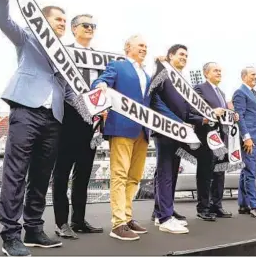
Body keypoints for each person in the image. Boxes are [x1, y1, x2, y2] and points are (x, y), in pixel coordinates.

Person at [0, 0, 71, 256]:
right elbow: (3, 20)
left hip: (54, 118)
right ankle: (11, 235)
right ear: (43, 20)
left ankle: (34, 229)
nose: (64, 24)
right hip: (26, 109)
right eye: (59, 19)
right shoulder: (27, 37)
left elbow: (70, 90)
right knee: (15, 173)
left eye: (65, 20)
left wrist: (94, 104)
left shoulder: (66, 56)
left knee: (41, 175)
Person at [92, 35, 176, 240]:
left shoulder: (146, 75)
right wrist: (101, 85)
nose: (144, 49)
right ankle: (118, 223)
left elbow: (152, 102)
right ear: (128, 47)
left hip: (142, 131)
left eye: (146, 46)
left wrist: (178, 123)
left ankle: (127, 217)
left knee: (134, 177)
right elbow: (101, 80)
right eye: (140, 45)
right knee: (120, 175)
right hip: (121, 128)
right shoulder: (118, 66)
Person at [52, 14, 103, 239]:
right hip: (68, 118)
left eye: (93, 25)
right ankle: (62, 222)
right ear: (74, 29)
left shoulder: (101, 59)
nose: (90, 28)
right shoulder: (64, 52)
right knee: (62, 172)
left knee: (83, 173)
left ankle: (79, 220)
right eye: (85, 25)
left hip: (92, 122)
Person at [149, 44, 203, 233]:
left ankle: (162, 212)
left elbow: (187, 110)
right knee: (165, 172)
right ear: (169, 56)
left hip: (180, 132)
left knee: (171, 172)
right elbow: (153, 97)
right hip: (165, 130)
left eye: (186, 55)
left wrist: (202, 118)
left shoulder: (183, 81)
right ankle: (165, 217)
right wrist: (159, 65)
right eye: (180, 54)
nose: (184, 57)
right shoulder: (163, 72)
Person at [191, 62, 235, 221]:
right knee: (205, 173)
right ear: (206, 73)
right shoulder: (199, 89)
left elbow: (223, 115)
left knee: (219, 172)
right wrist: (211, 112)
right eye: (215, 70)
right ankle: (203, 207)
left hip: (222, 138)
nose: (219, 73)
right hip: (206, 137)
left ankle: (217, 205)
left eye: (220, 70)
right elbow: (195, 110)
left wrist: (232, 115)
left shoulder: (221, 93)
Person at [233, 67, 256, 219]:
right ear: (244, 76)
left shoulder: (254, 94)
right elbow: (239, 115)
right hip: (250, 139)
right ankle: (254, 206)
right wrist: (246, 136)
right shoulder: (240, 93)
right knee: (251, 172)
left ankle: (243, 204)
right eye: (253, 74)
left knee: (246, 171)